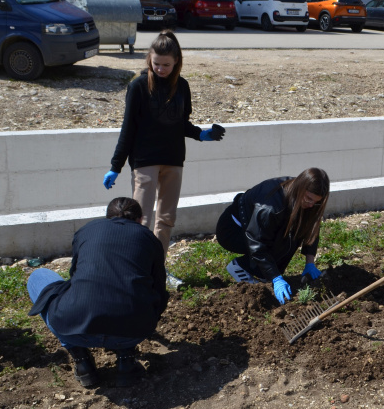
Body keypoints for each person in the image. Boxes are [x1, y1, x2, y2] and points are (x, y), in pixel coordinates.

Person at [103, 29, 225, 254]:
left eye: (165, 65)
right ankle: (137, 264)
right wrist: (115, 166)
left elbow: (181, 124)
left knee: (167, 218)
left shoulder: (183, 87)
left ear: (176, 62)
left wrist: (202, 134)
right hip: (145, 160)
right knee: (141, 218)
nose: (159, 69)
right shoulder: (138, 86)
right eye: (156, 63)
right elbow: (128, 128)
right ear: (149, 58)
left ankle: (158, 267)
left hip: (173, 159)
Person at [27, 197, 169, 388]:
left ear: (107, 217)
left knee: (39, 276)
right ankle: (126, 358)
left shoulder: (88, 230)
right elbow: (159, 288)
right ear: (141, 219)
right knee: (129, 296)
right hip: (131, 332)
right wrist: (145, 321)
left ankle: (81, 360)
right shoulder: (149, 238)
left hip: (73, 329)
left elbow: (74, 275)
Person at [216, 168, 330, 305]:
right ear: (300, 188)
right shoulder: (271, 207)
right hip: (233, 230)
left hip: (257, 228)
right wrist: (275, 278)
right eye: (309, 199)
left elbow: (310, 227)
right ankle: (241, 266)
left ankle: (263, 273)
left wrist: (310, 263)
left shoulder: (305, 198)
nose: (311, 204)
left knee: (292, 234)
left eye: (316, 201)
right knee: (283, 242)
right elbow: (257, 242)